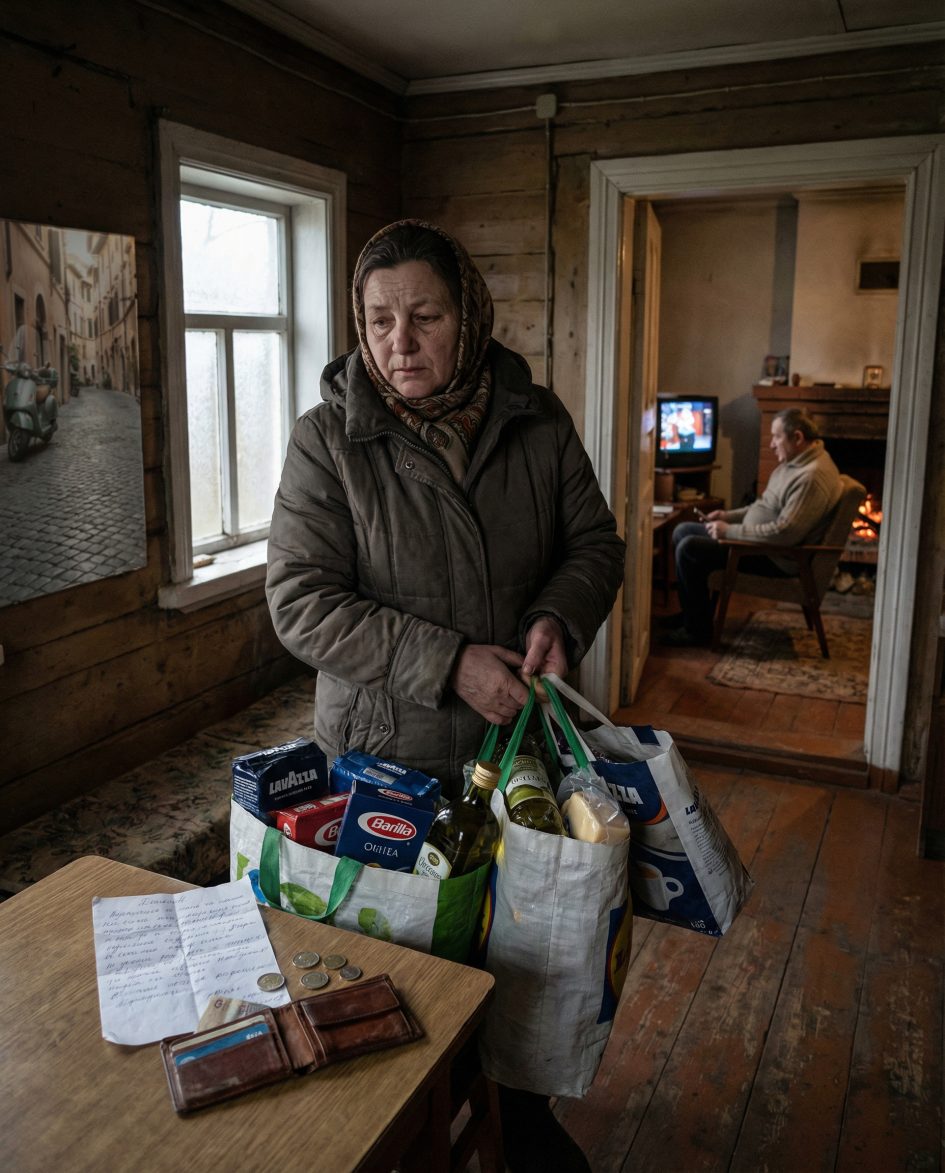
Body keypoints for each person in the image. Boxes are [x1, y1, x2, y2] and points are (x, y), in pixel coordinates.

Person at [266, 219, 625, 1172]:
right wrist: (448, 660)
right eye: (379, 320)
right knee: (401, 973)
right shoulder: (328, 440)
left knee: (527, 954)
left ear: (467, 315)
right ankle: (401, 1140)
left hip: (515, 757)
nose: (400, 342)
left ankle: (520, 1119)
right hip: (386, 763)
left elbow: (594, 543)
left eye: (424, 315)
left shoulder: (536, 421)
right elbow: (299, 603)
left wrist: (559, 614)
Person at [663, 407, 843, 646]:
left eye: (777, 437)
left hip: (775, 556)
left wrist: (730, 531)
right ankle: (692, 616)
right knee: (682, 530)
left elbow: (785, 533)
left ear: (798, 438)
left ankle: (697, 631)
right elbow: (763, 506)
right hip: (758, 543)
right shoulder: (796, 462)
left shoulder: (811, 477)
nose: (771, 444)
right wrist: (728, 516)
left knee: (690, 548)